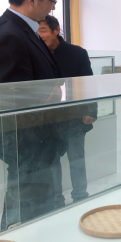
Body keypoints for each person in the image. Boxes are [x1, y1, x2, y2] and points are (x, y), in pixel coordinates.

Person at [0, 0, 65, 230]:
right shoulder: (10, 34)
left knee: (36, 203)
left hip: (36, 138)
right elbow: (16, 97)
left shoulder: (22, 29)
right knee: (25, 208)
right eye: (51, 0)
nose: (53, 7)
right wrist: (50, 93)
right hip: (28, 141)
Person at [38, 15, 97, 203]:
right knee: (52, 161)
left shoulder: (77, 53)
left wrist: (91, 110)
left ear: (56, 30)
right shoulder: (37, 55)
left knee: (76, 160)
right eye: (37, 32)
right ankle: (56, 200)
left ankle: (80, 196)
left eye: (43, 30)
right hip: (49, 119)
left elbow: (88, 84)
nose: (40, 35)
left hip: (75, 117)